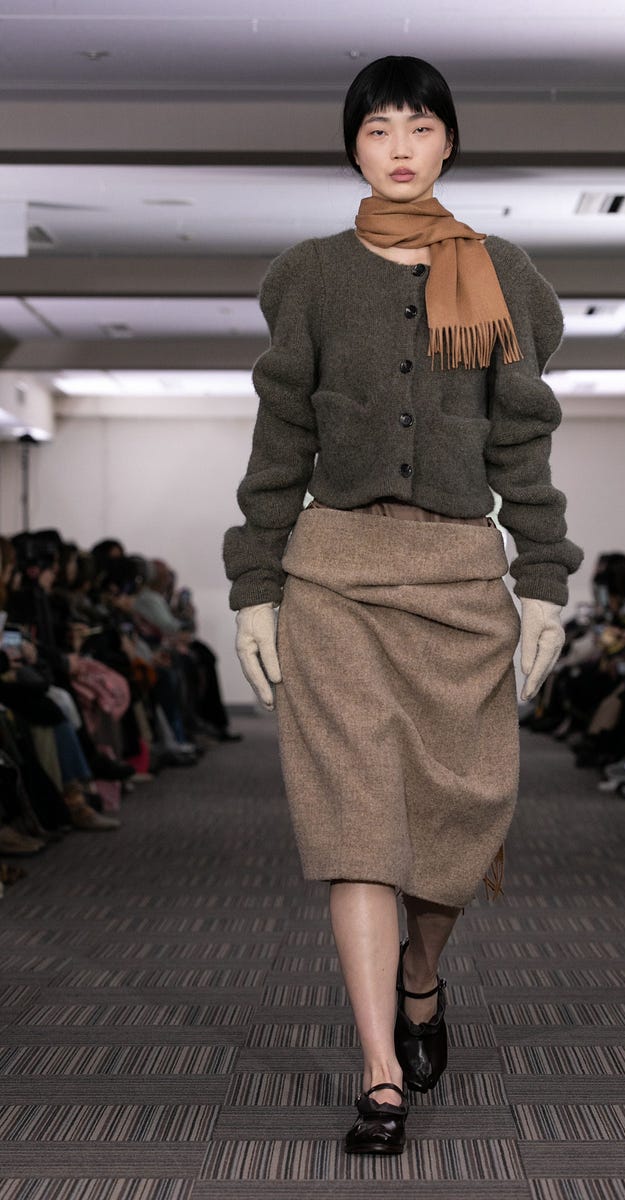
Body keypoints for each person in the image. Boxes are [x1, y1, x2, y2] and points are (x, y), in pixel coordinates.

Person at [223, 55, 581, 1156]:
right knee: (357, 832)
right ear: (353, 146)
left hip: (459, 581)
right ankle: (379, 1069)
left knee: (459, 820)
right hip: (335, 574)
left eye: (417, 126)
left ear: (448, 142)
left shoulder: (503, 274)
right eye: (377, 128)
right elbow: (281, 437)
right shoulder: (308, 276)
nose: (398, 148)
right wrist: (255, 582)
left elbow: (520, 439)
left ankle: (421, 976)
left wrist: (543, 576)